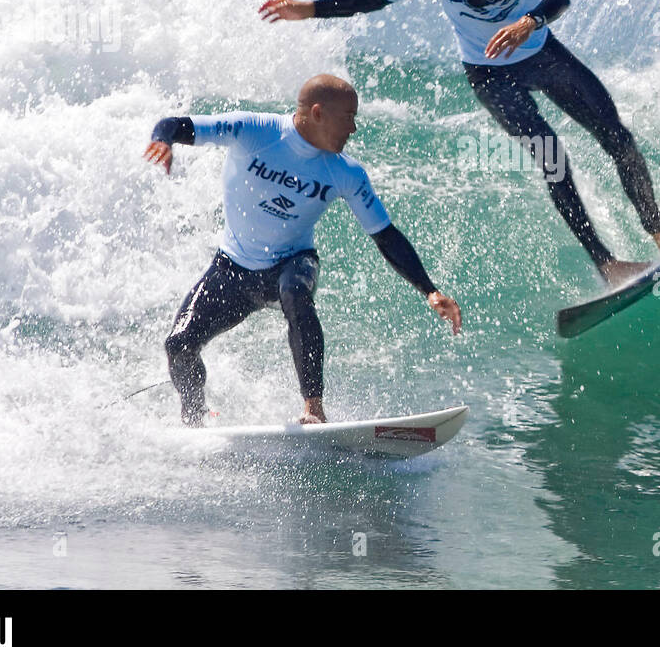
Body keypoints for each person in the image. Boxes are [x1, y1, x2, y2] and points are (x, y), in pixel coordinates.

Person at [258, 0, 660, 286]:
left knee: (617, 135)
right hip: (490, 75)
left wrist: (528, 23)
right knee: (553, 157)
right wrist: (310, 9)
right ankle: (607, 265)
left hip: (541, 53)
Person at [143, 74, 461, 427]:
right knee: (178, 345)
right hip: (231, 268)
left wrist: (430, 290)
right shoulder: (254, 130)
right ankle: (194, 419)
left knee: (295, 292)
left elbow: (385, 236)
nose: (354, 129)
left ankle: (314, 408)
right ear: (318, 113)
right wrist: (163, 140)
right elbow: (175, 124)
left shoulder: (346, 173)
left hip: (292, 262)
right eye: (348, 117)